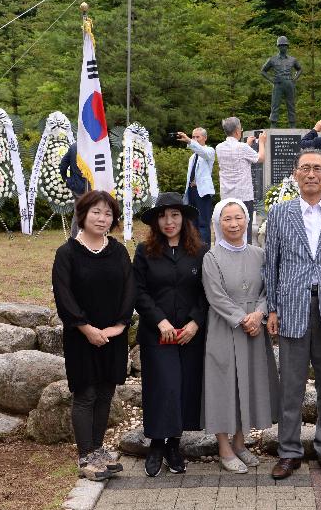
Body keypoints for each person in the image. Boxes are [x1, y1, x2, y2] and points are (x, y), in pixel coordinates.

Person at [264, 148, 321, 481]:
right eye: (305, 168)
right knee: (291, 385)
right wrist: (272, 308)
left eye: (317, 168)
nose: (311, 174)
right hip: (292, 307)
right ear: (295, 174)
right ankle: (289, 450)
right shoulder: (279, 213)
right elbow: (270, 265)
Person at [51, 190, 133, 481]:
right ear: (82, 214)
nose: (102, 218)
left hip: (113, 335)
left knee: (106, 392)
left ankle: (98, 450)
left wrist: (119, 327)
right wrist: (86, 328)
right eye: (96, 212)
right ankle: (85, 456)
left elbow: (129, 290)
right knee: (85, 394)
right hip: (80, 336)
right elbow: (64, 295)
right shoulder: (67, 253)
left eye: (108, 213)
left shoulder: (119, 251)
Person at [133, 192, 209, 477]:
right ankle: (156, 442)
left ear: (184, 219)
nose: (169, 221)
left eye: (175, 215)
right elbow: (138, 292)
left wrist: (195, 323)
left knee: (185, 387)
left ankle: (174, 444)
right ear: (156, 221)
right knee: (162, 386)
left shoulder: (200, 252)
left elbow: (206, 293)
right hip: (158, 333)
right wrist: (160, 322)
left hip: (190, 333)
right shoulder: (145, 251)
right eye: (163, 216)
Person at [202, 199, 279, 473]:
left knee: (246, 383)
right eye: (227, 219)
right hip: (226, 326)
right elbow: (215, 296)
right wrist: (241, 319)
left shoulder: (259, 254)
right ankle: (223, 447)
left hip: (254, 327)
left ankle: (239, 442)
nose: (234, 224)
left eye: (238, 218)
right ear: (218, 223)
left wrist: (259, 313)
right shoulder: (211, 257)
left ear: (246, 220)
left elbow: (269, 288)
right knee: (223, 384)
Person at [215, 117, 267, 242]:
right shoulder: (242, 148)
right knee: (244, 230)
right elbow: (260, 158)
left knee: (229, 228)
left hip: (226, 195)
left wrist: (246, 144)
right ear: (238, 131)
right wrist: (261, 142)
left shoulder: (219, 147)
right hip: (243, 196)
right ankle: (244, 255)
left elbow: (237, 154)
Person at [178, 127, 216, 243]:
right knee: (192, 222)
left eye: (197, 137)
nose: (194, 139)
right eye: (193, 137)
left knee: (203, 223)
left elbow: (202, 152)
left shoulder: (209, 151)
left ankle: (205, 250)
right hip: (191, 191)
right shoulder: (192, 157)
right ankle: (193, 248)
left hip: (202, 192)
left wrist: (189, 141)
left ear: (205, 138)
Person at [261, 36, 302, 127]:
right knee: (275, 104)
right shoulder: (272, 59)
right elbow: (263, 71)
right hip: (278, 84)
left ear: (287, 46)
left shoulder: (292, 59)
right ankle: (273, 123)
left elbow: (299, 69)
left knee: (291, 104)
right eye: (281, 45)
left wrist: (294, 79)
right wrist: (271, 80)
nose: (283, 47)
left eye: (284, 45)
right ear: (278, 47)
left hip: (289, 83)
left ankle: (292, 124)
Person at [58, 142, 89, 237]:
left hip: (77, 186)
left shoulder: (74, 147)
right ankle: (81, 239)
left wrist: (66, 179)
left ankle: (75, 238)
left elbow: (63, 165)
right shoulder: (95, 146)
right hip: (91, 187)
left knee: (78, 213)